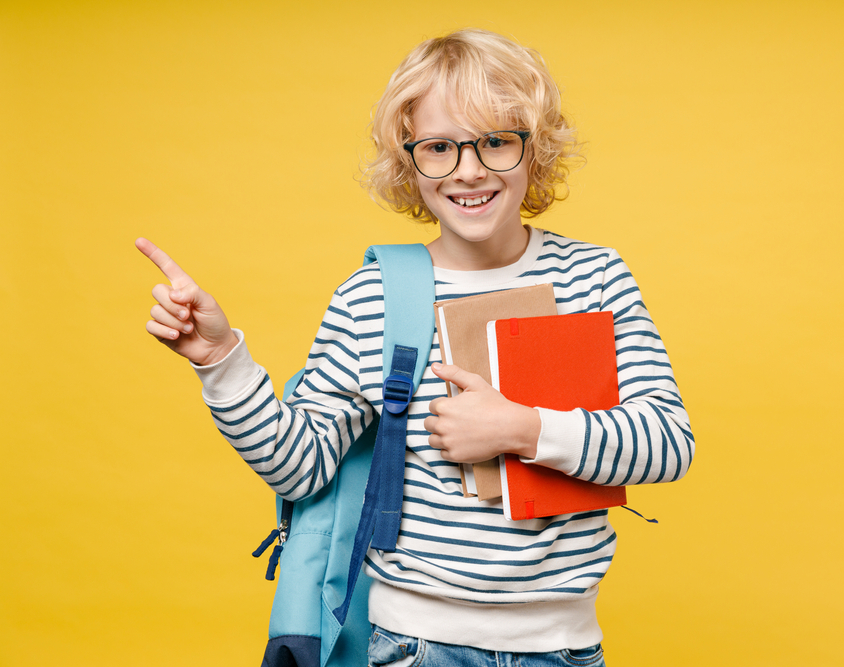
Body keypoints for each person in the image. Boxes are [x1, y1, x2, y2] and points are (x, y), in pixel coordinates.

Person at [138, 28, 693, 667]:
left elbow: (667, 444)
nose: (469, 170)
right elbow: (301, 467)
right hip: (414, 646)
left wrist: (521, 428)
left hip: (561, 647)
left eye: (495, 142)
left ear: (533, 150)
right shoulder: (373, 293)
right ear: (409, 161)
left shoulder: (594, 278)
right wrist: (220, 363)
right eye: (439, 147)